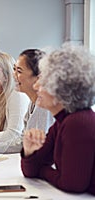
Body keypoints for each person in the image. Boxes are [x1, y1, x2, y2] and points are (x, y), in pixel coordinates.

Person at [21, 44, 95, 195]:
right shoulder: (63, 121)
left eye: (43, 82)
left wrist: (43, 171)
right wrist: (29, 152)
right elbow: (31, 171)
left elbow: (72, 185)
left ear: (62, 90)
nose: (36, 86)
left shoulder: (78, 123)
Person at [11, 49, 54, 152]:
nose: (14, 75)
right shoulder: (33, 102)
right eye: (14, 70)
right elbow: (23, 142)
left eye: (19, 71)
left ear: (38, 78)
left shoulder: (44, 106)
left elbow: (40, 149)